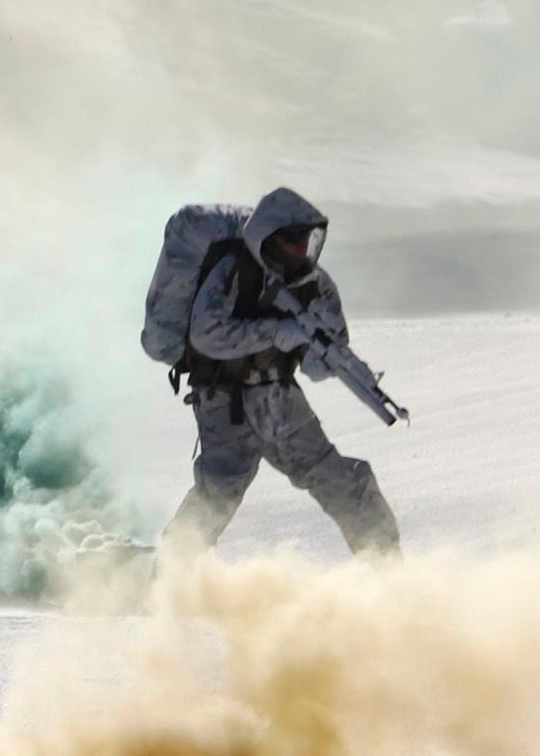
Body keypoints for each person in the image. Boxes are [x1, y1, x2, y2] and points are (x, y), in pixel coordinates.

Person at [159, 186, 403, 560]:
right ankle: (167, 583)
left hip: (279, 400)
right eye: (288, 240)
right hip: (223, 401)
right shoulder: (233, 272)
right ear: (267, 237)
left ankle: (389, 574)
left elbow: (319, 366)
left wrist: (324, 346)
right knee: (217, 495)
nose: (298, 248)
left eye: (304, 240)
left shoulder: (316, 286)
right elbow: (207, 336)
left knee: (341, 481)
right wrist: (279, 331)